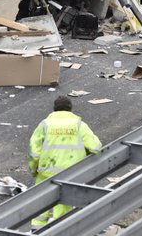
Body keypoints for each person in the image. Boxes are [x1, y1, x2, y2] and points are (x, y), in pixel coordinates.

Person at [28, 96, 102, 229]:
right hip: (70, 173)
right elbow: (96, 147)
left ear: (54, 109)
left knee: (40, 203)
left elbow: (34, 151)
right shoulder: (78, 124)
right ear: (70, 109)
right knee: (63, 204)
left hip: (46, 171)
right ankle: (60, 233)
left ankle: (36, 231)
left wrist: (33, 170)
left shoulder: (45, 124)